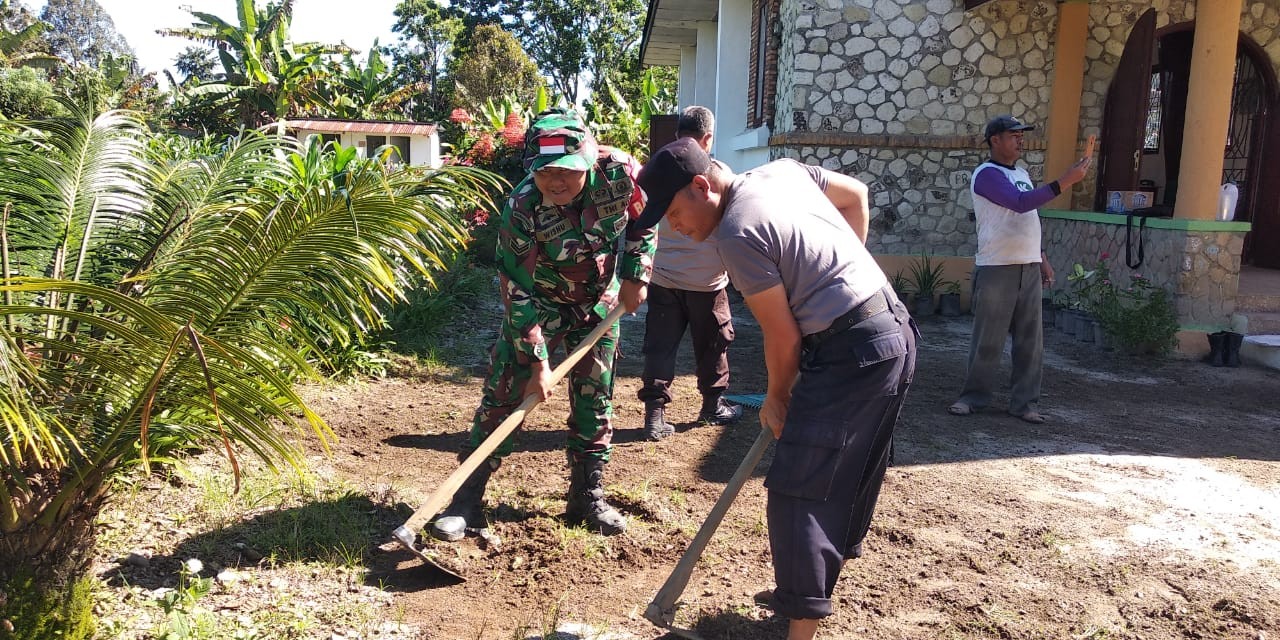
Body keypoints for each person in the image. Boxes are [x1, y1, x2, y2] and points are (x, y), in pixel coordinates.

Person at [635, 138, 917, 640]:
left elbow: (782, 336)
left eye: (675, 213)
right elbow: (857, 195)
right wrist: (842, 273)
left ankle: (800, 628)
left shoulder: (737, 235)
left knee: (799, 491)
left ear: (703, 187)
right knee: (845, 475)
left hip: (852, 352)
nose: (673, 227)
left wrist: (777, 395)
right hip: (891, 328)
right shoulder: (781, 172)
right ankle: (803, 602)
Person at [431, 108, 655, 541]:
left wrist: (636, 274)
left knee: (595, 397)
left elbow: (644, 222)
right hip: (541, 303)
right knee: (505, 393)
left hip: (602, 303)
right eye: (545, 170)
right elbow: (515, 288)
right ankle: (467, 499)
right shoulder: (522, 206)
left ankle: (586, 496)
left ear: (589, 158)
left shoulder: (622, 173)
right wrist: (536, 362)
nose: (556, 181)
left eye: (566, 171)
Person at [947, 115, 1092, 424]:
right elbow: (1019, 203)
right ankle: (972, 398)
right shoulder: (986, 174)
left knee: (1030, 340)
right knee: (989, 339)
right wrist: (1064, 181)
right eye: (1013, 135)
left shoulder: (1023, 173)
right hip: (997, 266)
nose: (1020, 139)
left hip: (1027, 266)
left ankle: (1024, 403)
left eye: (1021, 135)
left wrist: (1041, 257)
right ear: (994, 140)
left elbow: (1029, 218)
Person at [638, 105, 742, 441]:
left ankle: (655, 414)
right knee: (713, 344)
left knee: (660, 345)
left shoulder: (659, 173)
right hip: (706, 282)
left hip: (663, 279)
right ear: (708, 138)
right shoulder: (716, 174)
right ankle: (712, 406)